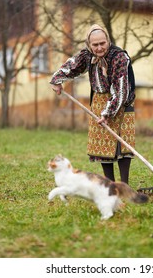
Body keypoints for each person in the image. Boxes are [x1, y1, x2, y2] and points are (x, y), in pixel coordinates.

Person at [49, 24, 135, 185]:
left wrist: (107, 113)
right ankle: (110, 186)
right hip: (98, 102)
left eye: (103, 43)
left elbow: (120, 90)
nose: (99, 47)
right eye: (95, 45)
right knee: (103, 146)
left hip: (121, 102)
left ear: (108, 41)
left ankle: (124, 186)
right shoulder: (87, 55)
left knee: (122, 145)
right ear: (89, 45)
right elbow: (71, 66)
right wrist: (57, 80)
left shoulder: (119, 57)